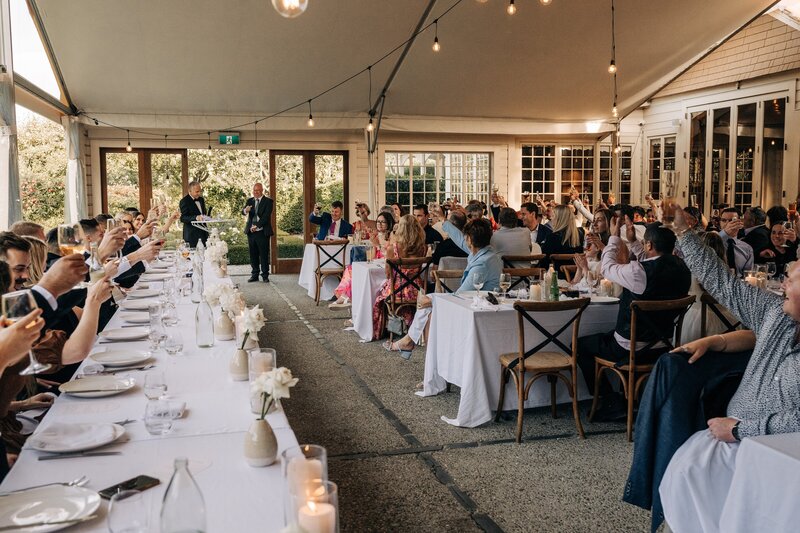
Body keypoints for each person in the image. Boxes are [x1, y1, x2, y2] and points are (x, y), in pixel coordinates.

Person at [648, 206, 800, 532]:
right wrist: (682, 233)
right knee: (682, 480)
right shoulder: (776, 314)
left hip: (774, 457)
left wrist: (739, 430)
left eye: (792, 277)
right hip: (731, 441)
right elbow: (722, 283)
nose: (783, 282)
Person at [575, 219, 691, 420]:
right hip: (662, 346)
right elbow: (651, 262)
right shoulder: (683, 269)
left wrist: (613, 237)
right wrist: (633, 244)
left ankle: (611, 400)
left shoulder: (638, 273)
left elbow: (607, 268)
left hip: (631, 348)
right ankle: (631, 398)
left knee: (579, 345)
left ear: (649, 245)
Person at [385, 215, 502, 359]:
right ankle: (410, 343)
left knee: (429, 308)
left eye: (466, 238)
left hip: (474, 308)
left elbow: (461, 295)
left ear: (470, 240)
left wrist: (433, 299)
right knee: (428, 306)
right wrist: (443, 220)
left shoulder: (482, 263)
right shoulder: (486, 252)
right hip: (475, 302)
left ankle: (411, 344)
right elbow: (459, 239)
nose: (464, 240)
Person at [371, 214, 427, 341]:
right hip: (417, 290)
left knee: (378, 293)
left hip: (397, 291)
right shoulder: (423, 248)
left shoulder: (393, 248)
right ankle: (410, 325)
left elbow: (388, 274)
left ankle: (386, 330)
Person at [330, 211, 394, 310]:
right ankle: (345, 296)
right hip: (376, 265)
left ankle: (347, 298)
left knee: (356, 271)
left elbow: (391, 256)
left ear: (389, 223)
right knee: (351, 269)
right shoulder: (376, 236)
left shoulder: (392, 236)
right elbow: (372, 258)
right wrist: (373, 245)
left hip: (386, 269)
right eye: (378, 222)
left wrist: (377, 245)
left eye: (383, 222)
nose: (379, 224)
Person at [242, 182, 274, 283]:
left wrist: (258, 225)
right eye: (254, 190)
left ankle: (265, 275)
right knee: (253, 254)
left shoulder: (268, 201)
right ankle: (254, 274)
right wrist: (245, 211)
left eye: (257, 191)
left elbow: (266, 217)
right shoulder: (249, 201)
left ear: (262, 191)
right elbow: (242, 212)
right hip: (251, 232)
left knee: (264, 254)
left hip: (262, 231)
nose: (255, 192)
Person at [541, 205, 584, 275]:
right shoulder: (580, 234)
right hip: (578, 275)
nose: (551, 219)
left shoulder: (552, 237)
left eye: (553, 216)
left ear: (560, 219)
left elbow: (544, 262)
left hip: (557, 277)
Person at [718, 208, 754, 276]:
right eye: (723, 220)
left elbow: (748, 275)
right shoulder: (712, 241)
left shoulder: (747, 248)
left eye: (732, 220)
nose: (727, 223)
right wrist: (725, 233)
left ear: (740, 223)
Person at [179, 181, 210, 247]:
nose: (199, 193)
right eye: (197, 192)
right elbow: (183, 218)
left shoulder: (201, 199)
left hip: (204, 233)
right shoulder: (184, 201)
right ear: (190, 191)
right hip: (191, 236)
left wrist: (207, 217)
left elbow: (202, 214)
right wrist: (196, 217)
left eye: (200, 191)